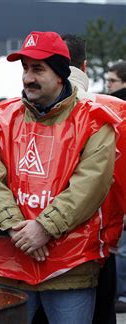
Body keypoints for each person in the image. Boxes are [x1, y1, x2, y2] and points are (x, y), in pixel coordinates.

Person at [0, 31, 119, 324]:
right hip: (12, 261)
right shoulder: (0, 118)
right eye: (25, 68)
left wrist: (44, 227)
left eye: (38, 69)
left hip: (70, 270)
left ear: (61, 74)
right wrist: (17, 229)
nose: (28, 77)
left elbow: (89, 185)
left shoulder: (95, 120)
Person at [60, 33, 126, 323]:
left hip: (34, 245)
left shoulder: (15, 114)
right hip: (99, 245)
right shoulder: (115, 112)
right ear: (84, 66)